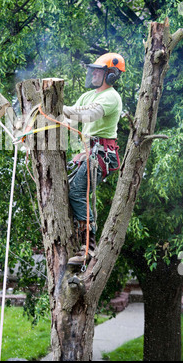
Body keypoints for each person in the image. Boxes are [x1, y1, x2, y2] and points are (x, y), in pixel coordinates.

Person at [63, 53, 125, 266]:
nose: (94, 74)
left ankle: (88, 247)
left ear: (111, 75)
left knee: (77, 192)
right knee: (67, 188)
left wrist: (60, 109)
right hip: (89, 152)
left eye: (99, 71)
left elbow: (88, 116)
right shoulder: (88, 96)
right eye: (94, 70)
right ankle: (79, 236)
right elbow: (68, 116)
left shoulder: (111, 97)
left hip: (101, 155)